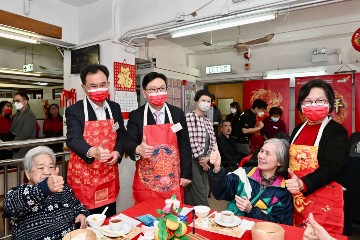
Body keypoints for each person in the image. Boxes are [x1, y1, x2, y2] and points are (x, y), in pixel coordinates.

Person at [285, 79, 350, 234]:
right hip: (296, 197)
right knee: (297, 233)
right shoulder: (298, 129)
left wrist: (304, 183)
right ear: (301, 105)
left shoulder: (336, 131)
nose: (313, 105)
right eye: (308, 101)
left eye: (320, 100)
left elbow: (332, 167)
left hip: (323, 198)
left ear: (330, 104)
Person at [65, 64, 127, 218]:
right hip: (84, 177)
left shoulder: (114, 107)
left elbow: (122, 135)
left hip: (108, 173)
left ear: (108, 84)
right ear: (84, 88)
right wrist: (94, 152)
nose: (98, 89)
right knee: (86, 222)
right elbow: (73, 139)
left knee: (108, 217)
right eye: (93, 86)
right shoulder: (75, 110)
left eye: (102, 85)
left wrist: (117, 152)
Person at [125, 72, 192, 204]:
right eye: (153, 90)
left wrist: (186, 174)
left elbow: (184, 144)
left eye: (161, 88)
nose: (158, 92)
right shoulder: (137, 115)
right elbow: (128, 142)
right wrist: (138, 149)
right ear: (145, 93)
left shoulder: (177, 113)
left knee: (173, 215)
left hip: (172, 176)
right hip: (147, 177)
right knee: (146, 215)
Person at [3, 146, 88, 240]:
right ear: (28, 173)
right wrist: (45, 188)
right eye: (40, 168)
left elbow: (78, 205)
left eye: (51, 167)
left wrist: (81, 213)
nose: (47, 172)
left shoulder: (63, 189)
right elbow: (10, 205)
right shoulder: (19, 193)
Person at [208, 138, 293, 225]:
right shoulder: (243, 174)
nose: (260, 156)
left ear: (279, 162)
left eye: (267, 153)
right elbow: (221, 192)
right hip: (233, 227)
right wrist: (217, 167)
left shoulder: (282, 191)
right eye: (261, 151)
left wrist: (251, 210)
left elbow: (281, 224)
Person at [185, 90, 217, 206]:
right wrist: (202, 159)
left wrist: (208, 157)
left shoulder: (208, 121)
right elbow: (191, 140)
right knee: (200, 193)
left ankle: (193, 216)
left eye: (208, 101)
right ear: (196, 101)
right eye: (203, 100)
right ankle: (205, 215)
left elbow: (213, 141)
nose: (206, 103)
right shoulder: (189, 117)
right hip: (193, 161)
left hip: (205, 161)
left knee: (199, 189)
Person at [10, 92, 37, 158]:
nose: (15, 103)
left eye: (17, 101)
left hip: (24, 148)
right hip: (16, 146)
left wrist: (12, 144)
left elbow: (25, 133)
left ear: (25, 102)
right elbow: (12, 130)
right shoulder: (16, 115)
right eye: (14, 101)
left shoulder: (30, 115)